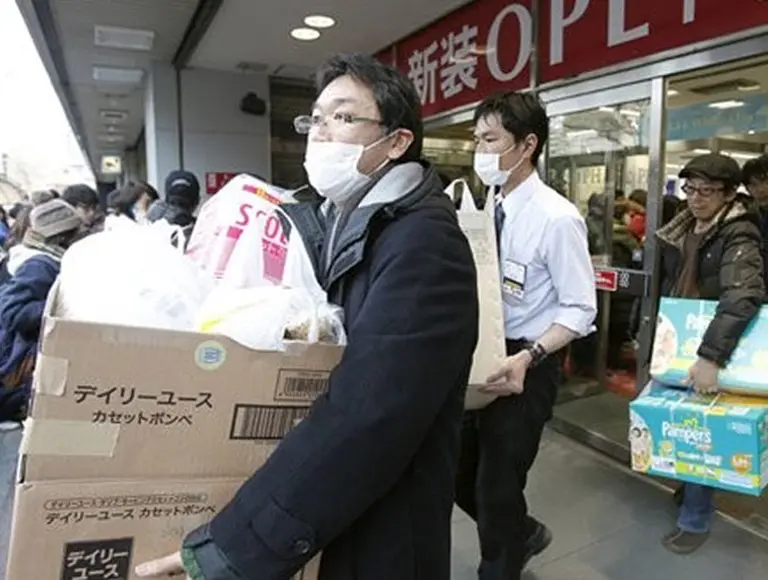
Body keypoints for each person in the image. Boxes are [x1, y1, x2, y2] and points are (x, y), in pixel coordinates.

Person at [136, 53, 479, 580]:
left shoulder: (424, 243)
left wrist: (230, 551)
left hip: (379, 538)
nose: (319, 134)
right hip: (328, 518)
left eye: (342, 118)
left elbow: (366, 416)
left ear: (397, 141)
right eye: (315, 119)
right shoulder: (338, 220)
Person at [455, 91, 597, 580]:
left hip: (528, 361)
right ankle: (525, 532)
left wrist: (531, 355)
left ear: (528, 144)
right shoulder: (486, 204)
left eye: (491, 139)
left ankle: (500, 568)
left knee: (498, 482)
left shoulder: (557, 218)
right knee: (456, 470)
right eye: (477, 139)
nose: (481, 150)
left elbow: (581, 308)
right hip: (481, 353)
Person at [659, 153, 764, 554]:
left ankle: (695, 518)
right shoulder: (684, 225)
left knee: (700, 428)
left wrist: (710, 357)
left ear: (728, 194)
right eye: (690, 189)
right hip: (680, 337)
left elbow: (743, 295)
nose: (696, 199)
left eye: (708, 191)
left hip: (709, 344)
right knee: (681, 422)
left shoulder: (739, 233)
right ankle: (688, 485)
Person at [0, 199, 83, 422]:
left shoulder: (51, 260)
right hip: (28, 362)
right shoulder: (40, 264)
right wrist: (59, 307)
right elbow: (12, 311)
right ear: (65, 236)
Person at [146, 171, 200, 248]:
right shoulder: (208, 233)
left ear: (166, 200)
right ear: (197, 201)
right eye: (174, 203)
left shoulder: (150, 231)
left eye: (183, 204)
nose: (179, 212)